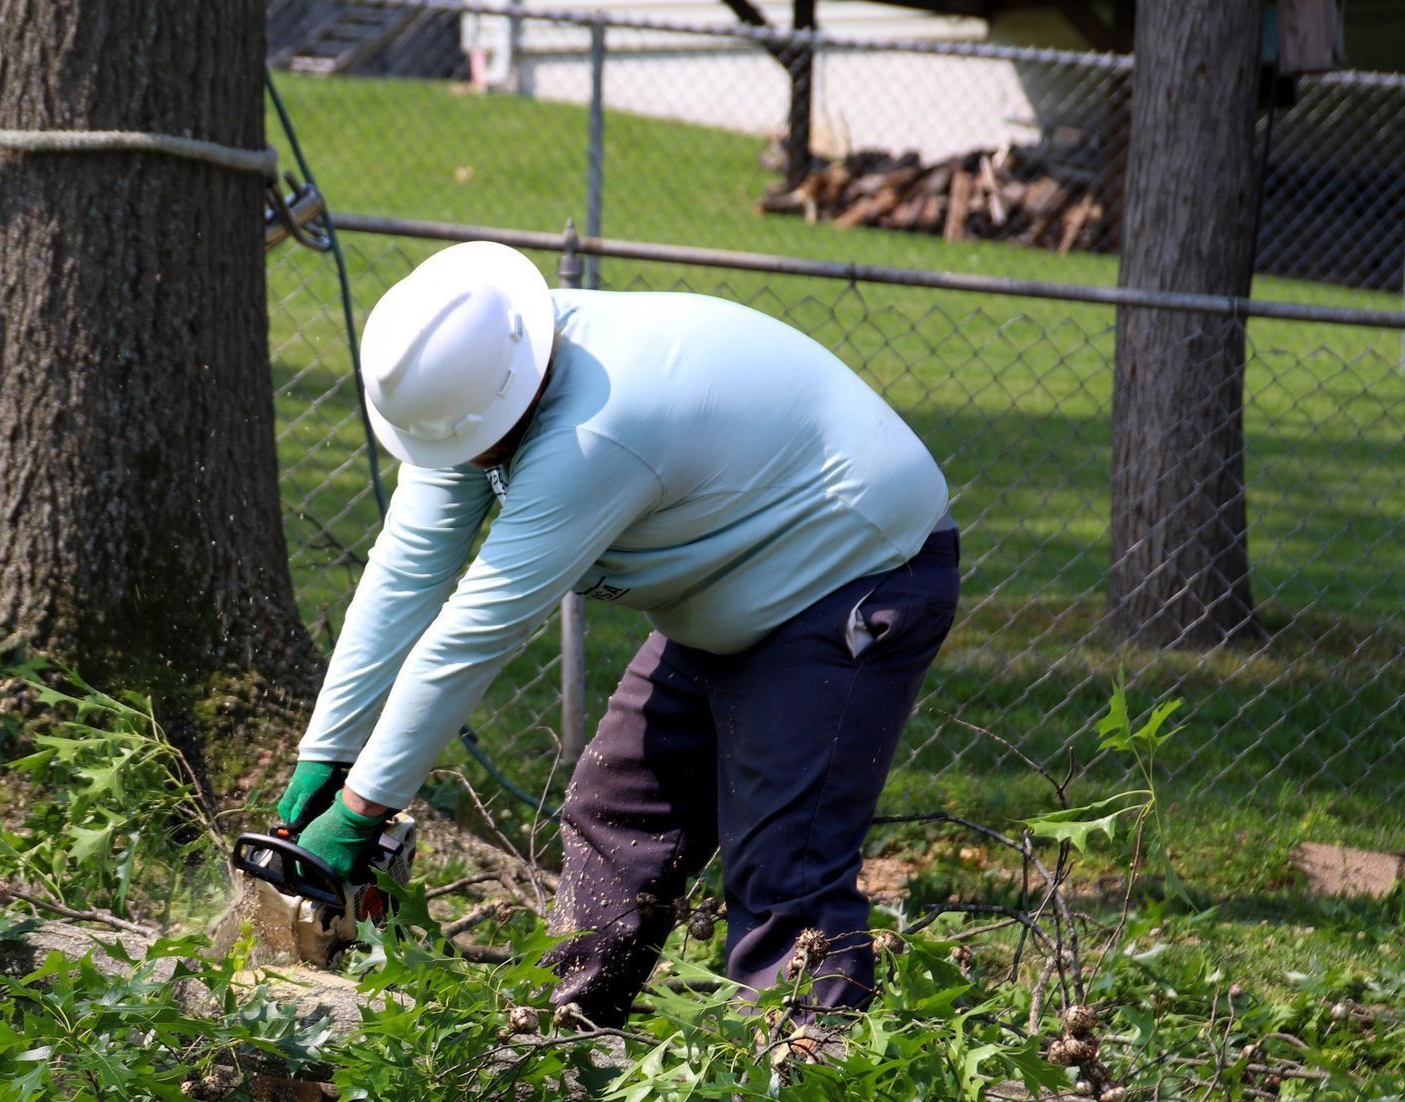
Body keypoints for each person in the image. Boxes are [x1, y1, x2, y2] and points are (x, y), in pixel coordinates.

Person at [274, 241, 959, 1026]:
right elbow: (404, 576)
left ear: (507, 405)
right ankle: (562, 1052)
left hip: (855, 569)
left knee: (785, 872)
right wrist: (324, 754)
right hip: (731, 585)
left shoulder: (597, 429)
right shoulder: (472, 389)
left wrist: (360, 812)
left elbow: (476, 630)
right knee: (616, 817)